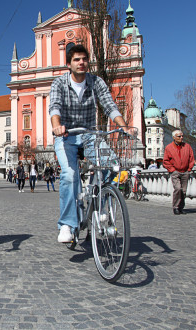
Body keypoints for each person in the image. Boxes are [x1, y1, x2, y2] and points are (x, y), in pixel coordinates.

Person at [49, 44, 131, 244]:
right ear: (69, 64)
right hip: (66, 135)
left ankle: (100, 207)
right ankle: (67, 224)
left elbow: (109, 105)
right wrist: (57, 125)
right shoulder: (59, 83)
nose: (81, 62)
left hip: (89, 135)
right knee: (69, 175)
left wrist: (124, 126)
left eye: (84, 59)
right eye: (76, 59)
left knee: (113, 166)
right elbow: (55, 106)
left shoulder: (96, 82)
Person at [163, 130, 195, 215]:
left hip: (185, 171)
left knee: (183, 191)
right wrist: (172, 170)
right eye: (179, 136)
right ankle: (176, 207)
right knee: (178, 189)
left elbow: (191, 158)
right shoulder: (169, 148)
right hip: (175, 172)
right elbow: (165, 161)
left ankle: (181, 207)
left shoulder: (187, 146)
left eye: (182, 136)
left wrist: (189, 169)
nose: (181, 138)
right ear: (174, 137)